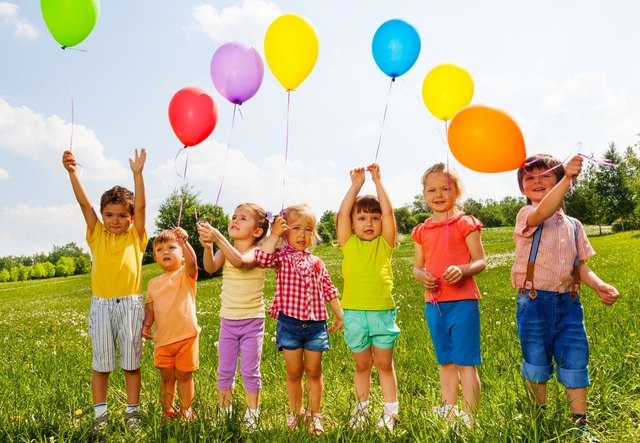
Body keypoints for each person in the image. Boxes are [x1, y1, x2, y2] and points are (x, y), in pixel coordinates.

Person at [512, 154, 619, 438]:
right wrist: (568, 178)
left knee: (575, 357)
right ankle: (539, 417)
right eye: (529, 178)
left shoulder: (574, 225)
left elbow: (580, 267)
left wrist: (599, 285)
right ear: (523, 188)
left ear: (559, 182)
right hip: (534, 302)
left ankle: (580, 422)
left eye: (545, 176)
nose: (536, 181)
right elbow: (542, 212)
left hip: (570, 304)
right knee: (536, 359)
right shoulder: (527, 215)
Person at [62, 148, 147, 434]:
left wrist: (138, 175)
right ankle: (101, 416)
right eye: (108, 215)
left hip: (131, 306)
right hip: (101, 306)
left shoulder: (137, 236)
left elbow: (143, 208)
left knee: (132, 364)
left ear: (131, 218)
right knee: (102, 365)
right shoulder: (96, 234)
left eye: (122, 215)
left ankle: (132, 414)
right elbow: (85, 206)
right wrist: (74, 173)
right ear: (102, 215)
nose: (114, 220)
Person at [254, 204, 344, 435]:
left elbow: (329, 290)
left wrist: (340, 315)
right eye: (296, 228)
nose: (303, 235)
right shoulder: (280, 257)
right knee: (294, 372)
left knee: (314, 371)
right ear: (285, 231)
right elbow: (262, 259)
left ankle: (315, 416)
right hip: (289, 325)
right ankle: (295, 413)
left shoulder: (317, 262)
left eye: (308, 229)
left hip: (316, 327)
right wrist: (273, 234)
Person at [411, 162, 486, 427]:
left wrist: (464, 269)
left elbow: (481, 261)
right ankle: (448, 407)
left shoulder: (465, 223)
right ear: (424, 195)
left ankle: (469, 414)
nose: (439, 194)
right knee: (445, 361)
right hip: (434, 304)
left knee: (465, 362)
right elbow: (417, 266)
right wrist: (421, 275)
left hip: (463, 302)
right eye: (432, 190)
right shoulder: (422, 231)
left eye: (445, 188)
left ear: (457, 191)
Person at [336, 163, 401, 432]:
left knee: (384, 364)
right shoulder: (348, 244)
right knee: (362, 365)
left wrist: (377, 181)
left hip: (381, 313)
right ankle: (361, 411)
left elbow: (388, 210)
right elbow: (341, 214)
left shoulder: (385, 244)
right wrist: (355, 186)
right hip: (353, 313)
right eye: (361, 218)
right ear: (352, 224)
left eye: (374, 218)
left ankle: (391, 412)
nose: (369, 223)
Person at [196, 203, 270, 431]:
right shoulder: (224, 250)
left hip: (252, 322)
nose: (235, 220)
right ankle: (224, 411)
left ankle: (252, 414)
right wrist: (208, 247)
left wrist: (217, 237)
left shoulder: (258, 252)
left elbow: (240, 261)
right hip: (228, 321)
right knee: (224, 369)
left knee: (250, 370)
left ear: (257, 231)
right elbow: (209, 268)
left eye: (243, 218)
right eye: (234, 216)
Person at [142, 227, 199, 421]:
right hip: (163, 340)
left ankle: (186, 409)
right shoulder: (152, 283)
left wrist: (184, 241)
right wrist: (146, 325)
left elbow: (194, 263)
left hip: (186, 336)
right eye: (159, 249)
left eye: (172, 247)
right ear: (155, 257)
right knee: (167, 377)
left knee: (184, 375)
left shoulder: (186, 274)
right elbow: (150, 308)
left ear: (182, 256)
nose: (165, 251)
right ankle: (167, 410)